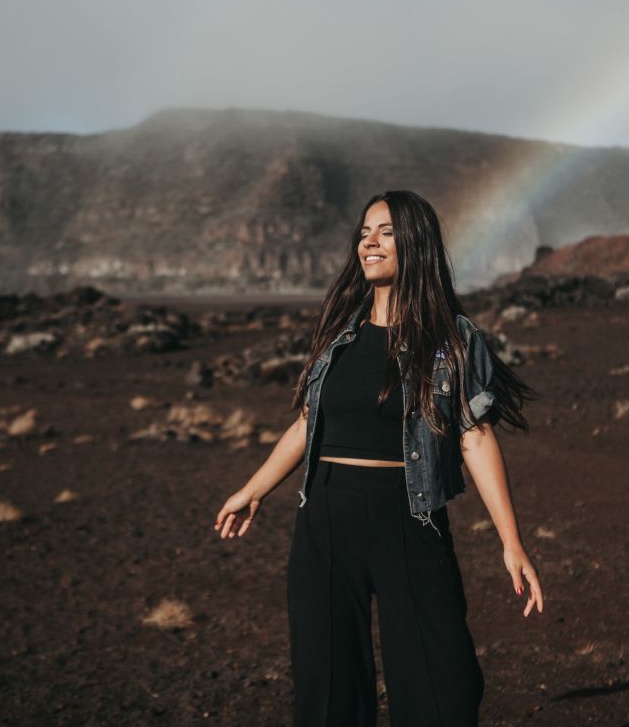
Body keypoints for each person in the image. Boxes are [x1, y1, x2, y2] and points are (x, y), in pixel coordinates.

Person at [214, 190, 544, 726]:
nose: (370, 242)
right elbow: (307, 424)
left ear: (415, 243)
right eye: (365, 232)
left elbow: (475, 436)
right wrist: (252, 490)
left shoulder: (452, 340)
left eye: (386, 231)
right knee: (328, 695)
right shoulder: (339, 337)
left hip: (409, 521)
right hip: (323, 521)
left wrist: (511, 542)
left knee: (442, 689)